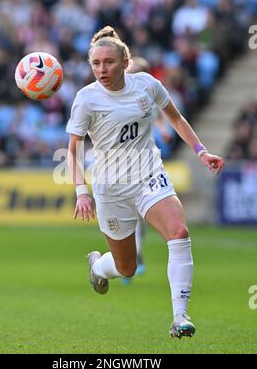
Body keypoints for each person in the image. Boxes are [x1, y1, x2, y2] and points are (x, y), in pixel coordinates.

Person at [66, 26, 224, 339]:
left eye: (108, 62)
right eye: (96, 63)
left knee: (178, 232)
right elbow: (73, 149)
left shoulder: (147, 86)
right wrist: (81, 192)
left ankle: (180, 317)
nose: (101, 69)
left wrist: (201, 151)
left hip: (149, 174)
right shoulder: (86, 99)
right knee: (126, 268)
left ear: (125, 62)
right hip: (111, 188)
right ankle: (98, 267)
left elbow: (176, 118)